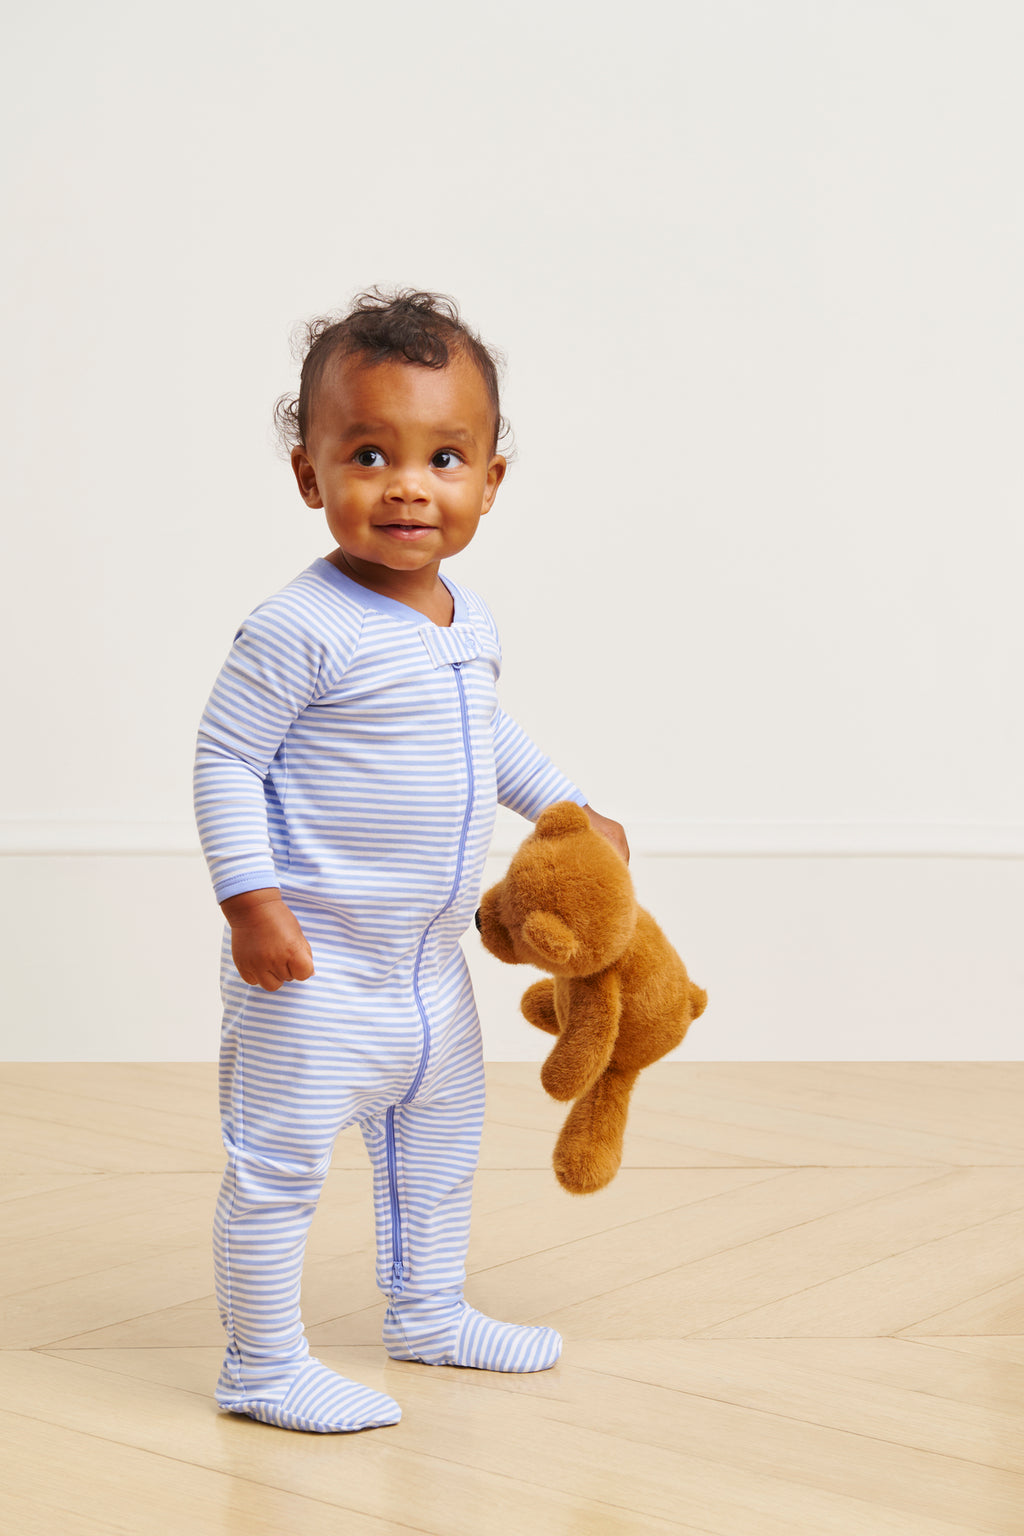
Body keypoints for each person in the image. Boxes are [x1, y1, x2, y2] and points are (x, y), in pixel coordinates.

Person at [194, 289, 628, 1434]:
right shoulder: (299, 627)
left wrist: (572, 811)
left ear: (489, 481)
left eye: (444, 456)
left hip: (429, 970)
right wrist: (252, 902)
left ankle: (429, 1311)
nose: (407, 484)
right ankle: (262, 1365)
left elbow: (491, 738)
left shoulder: (461, 619)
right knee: (278, 1166)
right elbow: (226, 761)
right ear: (308, 474)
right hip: (315, 969)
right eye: (369, 453)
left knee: (439, 1146)